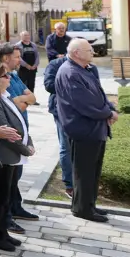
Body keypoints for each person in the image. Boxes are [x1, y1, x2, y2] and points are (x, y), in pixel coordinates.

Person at [56, 38, 116, 223]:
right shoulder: (70, 72)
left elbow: (99, 94)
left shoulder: (84, 70)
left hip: (94, 129)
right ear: (76, 53)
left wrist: (109, 109)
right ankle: (82, 209)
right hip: (84, 130)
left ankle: (89, 205)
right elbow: (85, 103)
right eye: (89, 50)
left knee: (92, 172)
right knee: (85, 172)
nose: (92, 53)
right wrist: (107, 112)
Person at [0, 62, 34, 250]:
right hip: (2, 156)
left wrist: (29, 141)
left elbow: (20, 122)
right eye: (5, 76)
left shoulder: (3, 96)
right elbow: (5, 129)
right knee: (0, 197)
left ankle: (2, 232)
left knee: (6, 196)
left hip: (11, 155)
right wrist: (25, 149)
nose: (9, 78)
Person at [44, 54, 73, 195]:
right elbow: (49, 85)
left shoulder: (88, 66)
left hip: (84, 112)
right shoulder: (55, 64)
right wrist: (73, 85)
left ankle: (82, 180)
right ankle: (70, 183)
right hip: (62, 111)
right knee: (66, 146)